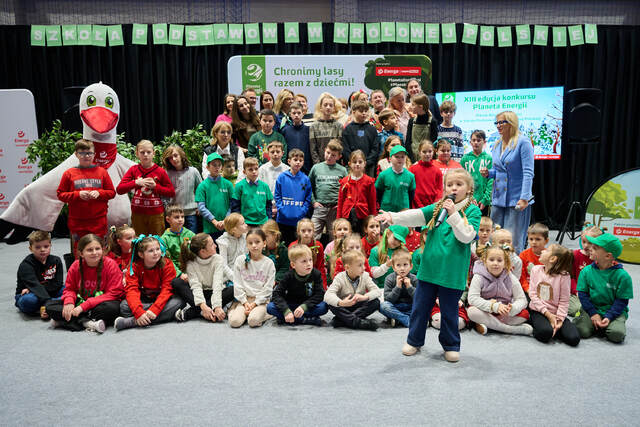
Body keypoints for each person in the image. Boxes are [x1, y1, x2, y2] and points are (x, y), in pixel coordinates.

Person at [376, 168, 481, 362]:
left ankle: (450, 345)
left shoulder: (472, 210)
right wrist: (393, 217)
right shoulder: (438, 206)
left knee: (449, 311)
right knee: (420, 307)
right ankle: (414, 340)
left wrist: (453, 214)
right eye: (450, 185)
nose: (454, 188)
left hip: (451, 272)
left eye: (459, 184)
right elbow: (416, 215)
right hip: (429, 269)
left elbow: (466, 236)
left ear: (469, 189)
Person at [46, 234, 124, 333]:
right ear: (81, 253)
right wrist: (69, 302)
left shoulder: (110, 264)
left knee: (112, 309)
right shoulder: (75, 266)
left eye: (97, 249)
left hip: (99, 304)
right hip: (80, 302)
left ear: (103, 250)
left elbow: (114, 293)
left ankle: (67, 321)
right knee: (49, 306)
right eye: (89, 250)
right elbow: (70, 289)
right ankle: (86, 323)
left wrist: (83, 307)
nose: (94, 253)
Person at [480, 111, 534, 253]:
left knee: (513, 239)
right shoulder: (497, 144)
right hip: (498, 199)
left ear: (511, 123)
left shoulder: (523, 142)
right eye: (496, 122)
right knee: (495, 236)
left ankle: (513, 270)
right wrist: (488, 173)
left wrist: (524, 198)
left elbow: (528, 173)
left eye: (501, 122)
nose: (498, 125)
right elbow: (498, 171)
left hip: (516, 199)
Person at [57, 139, 116, 250]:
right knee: (80, 250)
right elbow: (60, 195)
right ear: (76, 154)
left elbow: (112, 192)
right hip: (77, 221)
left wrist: (99, 193)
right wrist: (77, 195)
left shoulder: (102, 172)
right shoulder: (69, 173)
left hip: (98, 220)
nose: (86, 156)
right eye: (82, 153)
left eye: (89, 153)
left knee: (99, 249)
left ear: (94, 154)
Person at [574, 233, 633, 343]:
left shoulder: (623, 276)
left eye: (595, 248)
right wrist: (593, 313)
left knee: (617, 335)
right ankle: (595, 325)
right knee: (581, 331)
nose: (590, 248)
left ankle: (603, 326)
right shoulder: (586, 271)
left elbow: (622, 301)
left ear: (608, 256)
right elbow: (583, 295)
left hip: (614, 311)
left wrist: (609, 316)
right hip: (591, 308)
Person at [115, 235, 182, 330]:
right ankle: (150, 317)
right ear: (141, 254)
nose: (156, 253)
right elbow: (132, 290)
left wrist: (155, 309)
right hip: (144, 300)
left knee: (178, 302)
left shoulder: (167, 264)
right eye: (150, 251)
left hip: (162, 300)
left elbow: (167, 290)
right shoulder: (134, 267)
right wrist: (139, 312)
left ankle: (133, 322)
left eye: (158, 249)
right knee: (124, 306)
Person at [467, 245, 532, 336]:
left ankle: (490, 325)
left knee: (525, 314)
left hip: (503, 313)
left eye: (499, 260)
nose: (495, 263)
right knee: (472, 312)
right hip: (485, 310)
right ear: (485, 261)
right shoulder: (478, 277)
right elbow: (472, 299)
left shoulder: (510, 277)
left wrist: (512, 308)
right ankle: (507, 329)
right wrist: (494, 306)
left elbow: (522, 300)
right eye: (491, 260)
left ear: (505, 263)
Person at [116, 140, 175, 236]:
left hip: (156, 214)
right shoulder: (133, 170)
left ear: (154, 153)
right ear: (137, 154)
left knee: (157, 241)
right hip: (137, 213)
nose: (145, 155)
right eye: (142, 152)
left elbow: (171, 192)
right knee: (139, 241)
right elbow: (120, 189)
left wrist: (155, 187)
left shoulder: (160, 171)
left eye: (148, 152)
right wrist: (136, 182)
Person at [172, 233, 232, 322]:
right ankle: (204, 311)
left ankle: (190, 313)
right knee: (176, 282)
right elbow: (196, 286)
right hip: (200, 293)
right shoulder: (191, 263)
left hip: (214, 292)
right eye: (212, 245)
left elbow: (217, 284)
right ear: (202, 251)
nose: (215, 246)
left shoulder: (218, 259)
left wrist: (217, 306)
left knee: (233, 290)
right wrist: (203, 307)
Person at [528, 244, 580, 346]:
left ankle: (553, 327)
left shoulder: (564, 276)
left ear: (552, 259)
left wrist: (559, 319)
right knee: (545, 334)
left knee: (574, 339)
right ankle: (544, 326)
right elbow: (533, 294)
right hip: (539, 311)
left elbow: (564, 300)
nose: (542, 251)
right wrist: (548, 315)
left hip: (556, 313)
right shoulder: (535, 270)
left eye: (546, 250)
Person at [267, 244, 328, 326]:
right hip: (291, 305)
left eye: (310, 260)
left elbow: (320, 294)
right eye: (304, 261)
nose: (309, 264)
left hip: (307, 306)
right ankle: (305, 320)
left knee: (323, 307)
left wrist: (304, 307)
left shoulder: (316, 274)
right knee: (270, 307)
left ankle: (290, 320)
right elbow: (276, 294)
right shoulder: (288, 276)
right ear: (293, 265)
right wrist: (286, 310)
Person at [228, 228, 275, 328]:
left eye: (257, 242)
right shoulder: (240, 260)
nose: (254, 245)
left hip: (261, 301)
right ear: (247, 245)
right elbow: (237, 283)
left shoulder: (269, 263)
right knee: (234, 322)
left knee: (253, 321)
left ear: (264, 243)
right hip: (244, 300)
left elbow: (268, 288)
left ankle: (267, 313)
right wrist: (245, 302)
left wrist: (255, 303)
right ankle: (236, 309)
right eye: (250, 243)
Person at [324, 249, 381, 330]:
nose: (364, 268)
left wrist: (365, 297)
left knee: (376, 302)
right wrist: (341, 302)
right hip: (344, 306)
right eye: (360, 265)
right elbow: (327, 295)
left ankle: (342, 321)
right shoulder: (340, 277)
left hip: (359, 306)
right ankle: (357, 322)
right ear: (347, 267)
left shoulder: (365, 276)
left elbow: (377, 291)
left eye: (363, 264)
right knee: (331, 304)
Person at [15, 231, 64, 318]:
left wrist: (32, 289)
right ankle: (54, 305)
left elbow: (58, 283)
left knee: (68, 289)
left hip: (46, 291)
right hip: (32, 294)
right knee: (28, 301)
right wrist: (48, 303)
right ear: (30, 248)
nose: (42, 249)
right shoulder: (26, 265)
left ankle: (46, 306)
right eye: (38, 247)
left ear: (50, 246)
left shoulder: (56, 260)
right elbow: (35, 285)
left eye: (46, 246)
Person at [309, 140, 348, 241]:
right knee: (312, 236)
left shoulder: (342, 170)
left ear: (339, 157)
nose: (330, 156)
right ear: (325, 150)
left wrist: (341, 204)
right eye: (328, 153)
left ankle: (332, 256)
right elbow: (309, 186)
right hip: (320, 208)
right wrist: (314, 202)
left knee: (335, 239)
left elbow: (347, 190)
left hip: (335, 209)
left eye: (333, 155)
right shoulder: (316, 168)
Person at [162, 145, 201, 233]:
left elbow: (200, 190)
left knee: (191, 241)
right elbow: (164, 194)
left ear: (181, 155)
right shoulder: (167, 173)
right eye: (170, 158)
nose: (174, 159)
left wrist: (200, 205)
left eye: (176, 155)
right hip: (174, 215)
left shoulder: (193, 171)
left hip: (190, 213)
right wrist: (167, 209)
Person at [195, 153, 234, 241]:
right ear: (207, 167)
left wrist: (225, 221)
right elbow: (201, 207)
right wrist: (214, 221)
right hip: (210, 227)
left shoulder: (228, 184)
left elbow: (232, 204)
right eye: (214, 165)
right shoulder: (203, 186)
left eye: (219, 165)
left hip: (226, 226)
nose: (217, 167)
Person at [337, 150, 377, 234]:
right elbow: (340, 201)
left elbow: (372, 202)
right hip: (347, 215)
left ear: (364, 163)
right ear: (349, 164)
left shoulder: (369, 181)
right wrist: (339, 219)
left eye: (360, 162)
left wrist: (373, 218)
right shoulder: (344, 181)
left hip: (363, 215)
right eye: (354, 162)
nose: (357, 164)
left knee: (361, 237)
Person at [570, 224, 603, 316]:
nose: (586, 245)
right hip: (575, 292)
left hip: (593, 293)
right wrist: (577, 291)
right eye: (584, 242)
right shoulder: (575, 255)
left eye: (590, 243)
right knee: (576, 309)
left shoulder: (600, 258)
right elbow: (570, 277)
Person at [379, 248, 416, 328]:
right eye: (398, 265)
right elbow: (388, 300)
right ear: (394, 267)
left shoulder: (414, 279)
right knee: (383, 306)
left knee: (424, 306)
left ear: (411, 266)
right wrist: (397, 287)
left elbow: (419, 298)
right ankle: (407, 319)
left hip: (410, 306)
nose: (402, 268)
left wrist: (410, 287)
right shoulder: (389, 278)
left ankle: (397, 319)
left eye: (405, 265)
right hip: (395, 306)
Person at [231, 157, 273, 227]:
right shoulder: (239, 186)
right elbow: (235, 206)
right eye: (250, 169)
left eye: (256, 169)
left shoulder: (265, 186)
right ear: (244, 172)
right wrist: (239, 222)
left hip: (263, 223)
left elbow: (268, 205)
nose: (254, 171)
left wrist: (268, 220)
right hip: (246, 223)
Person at [341, 100, 379, 176]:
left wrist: (366, 163)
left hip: (368, 167)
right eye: (361, 111)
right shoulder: (348, 129)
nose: (364, 113)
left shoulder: (372, 129)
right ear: (353, 112)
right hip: (352, 166)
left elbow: (375, 148)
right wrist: (354, 162)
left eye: (366, 111)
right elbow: (345, 149)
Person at [375, 146, 416, 214]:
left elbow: (411, 195)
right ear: (390, 158)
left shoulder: (410, 176)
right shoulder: (383, 175)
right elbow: (378, 193)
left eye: (402, 157)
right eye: (397, 157)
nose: (400, 159)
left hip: (403, 212)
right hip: (386, 211)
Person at [161, 205, 196, 283]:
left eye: (182, 217)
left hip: (191, 267)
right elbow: (167, 260)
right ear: (168, 219)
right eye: (176, 217)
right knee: (176, 283)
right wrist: (179, 274)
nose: (180, 220)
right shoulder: (164, 239)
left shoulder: (190, 234)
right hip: (175, 271)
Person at [461, 130, 493, 216]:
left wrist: (485, 199)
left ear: (484, 142)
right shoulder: (465, 159)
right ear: (470, 142)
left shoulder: (488, 158)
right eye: (474, 140)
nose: (476, 143)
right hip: (468, 200)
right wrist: (469, 197)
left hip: (484, 201)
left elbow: (490, 181)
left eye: (479, 140)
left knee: (483, 226)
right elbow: (462, 180)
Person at [289, 218, 328, 289]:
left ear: (313, 231)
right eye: (303, 231)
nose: (306, 233)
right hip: (298, 278)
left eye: (309, 231)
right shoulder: (293, 246)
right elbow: (292, 268)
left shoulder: (318, 246)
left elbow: (320, 267)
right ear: (298, 232)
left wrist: (323, 286)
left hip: (315, 278)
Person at [309, 92, 343, 165]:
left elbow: (340, 148)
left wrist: (335, 163)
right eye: (325, 105)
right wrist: (318, 166)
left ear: (334, 108)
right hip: (319, 165)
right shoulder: (313, 127)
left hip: (335, 165)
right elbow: (313, 149)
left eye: (330, 105)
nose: (328, 107)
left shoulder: (339, 126)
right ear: (321, 107)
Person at [409, 140, 443, 209]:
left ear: (433, 152)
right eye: (424, 152)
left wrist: (434, 205)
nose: (427, 154)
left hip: (432, 207)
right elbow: (412, 189)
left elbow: (439, 190)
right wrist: (420, 205)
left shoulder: (437, 171)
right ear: (419, 153)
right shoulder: (412, 169)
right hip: (417, 207)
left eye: (430, 151)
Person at [404, 94, 438, 162]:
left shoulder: (432, 122)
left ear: (420, 107)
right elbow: (408, 143)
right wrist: (412, 160)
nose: (411, 107)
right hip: (413, 157)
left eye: (413, 105)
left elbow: (433, 143)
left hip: (427, 158)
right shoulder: (411, 121)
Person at [280, 102, 312, 175]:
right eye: (294, 113)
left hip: (306, 168)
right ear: (290, 114)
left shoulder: (309, 130)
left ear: (303, 113)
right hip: (290, 168)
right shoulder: (285, 131)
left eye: (299, 113)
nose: (296, 115)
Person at [216, 213, 248, 281]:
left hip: (244, 273)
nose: (246, 225)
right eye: (243, 224)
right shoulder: (223, 242)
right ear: (234, 229)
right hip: (230, 276)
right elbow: (223, 265)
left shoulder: (246, 237)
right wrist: (235, 278)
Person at [519, 223, 549, 294]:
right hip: (528, 289)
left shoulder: (550, 255)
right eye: (531, 239)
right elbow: (522, 277)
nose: (534, 242)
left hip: (545, 289)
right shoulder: (523, 255)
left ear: (546, 241)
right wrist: (528, 289)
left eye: (538, 239)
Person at [262, 220, 290, 285]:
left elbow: (284, 268)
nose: (263, 238)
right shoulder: (261, 249)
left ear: (275, 235)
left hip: (277, 282)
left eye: (266, 236)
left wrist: (275, 280)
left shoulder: (283, 250)